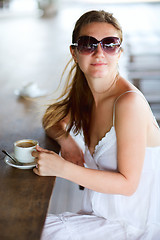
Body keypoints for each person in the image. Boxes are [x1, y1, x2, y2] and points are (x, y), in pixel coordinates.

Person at [33, 10, 160, 240]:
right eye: (88, 44)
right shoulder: (89, 94)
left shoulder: (128, 103)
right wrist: (67, 141)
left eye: (110, 44)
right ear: (74, 52)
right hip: (102, 215)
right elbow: (51, 119)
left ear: (119, 52)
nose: (100, 52)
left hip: (132, 225)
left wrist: (61, 168)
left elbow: (128, 185)